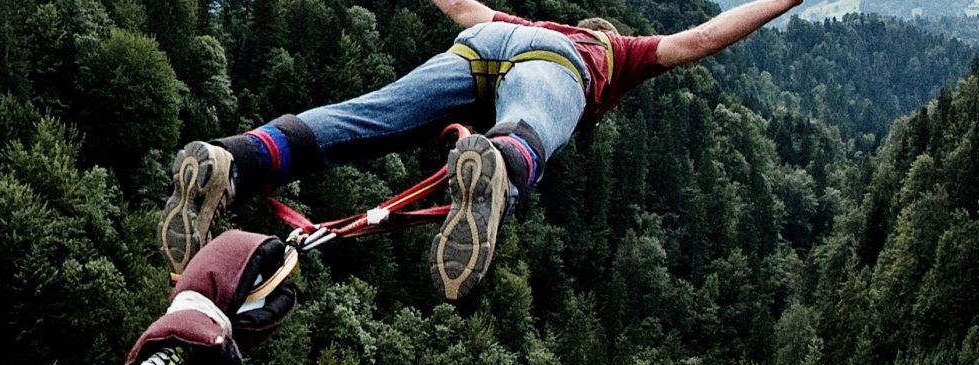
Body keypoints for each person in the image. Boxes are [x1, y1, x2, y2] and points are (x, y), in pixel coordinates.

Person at [158, 0, 803, 300]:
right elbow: (701, 39)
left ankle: (235, 159)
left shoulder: (522, 20)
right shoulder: (610, 54)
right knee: (529, 127)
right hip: (553, 66)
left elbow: (463, 4)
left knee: (366, 118)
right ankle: (499, 161)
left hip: (485, 41)